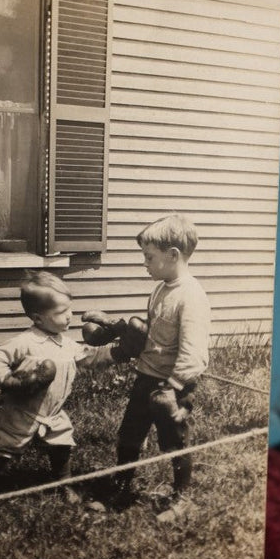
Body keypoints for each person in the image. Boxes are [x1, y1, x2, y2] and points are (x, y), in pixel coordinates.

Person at [84, 213, 210, 517]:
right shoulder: (161, 288)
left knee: (175, 440)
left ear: (173, 255)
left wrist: (174, 387)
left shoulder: (191, 297)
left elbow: (194, 352)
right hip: (146, 377)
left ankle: (182, 498)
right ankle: (123, 488)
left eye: (148, 256)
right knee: (129, 435)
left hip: (172, 387)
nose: (144, 262)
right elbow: (152, 334)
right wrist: (120, 330)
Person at [0, 270, 125, 496]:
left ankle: (63, 483)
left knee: (62, 442)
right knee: (3, 446)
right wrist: (7, 380)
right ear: (38, 318)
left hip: (52, 411)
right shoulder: (26, 342)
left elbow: (90, 356)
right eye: (61, 312)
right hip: (20, 410)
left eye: (69, 308)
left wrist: (119, 353)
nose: (69, 315)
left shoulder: (65, 343)